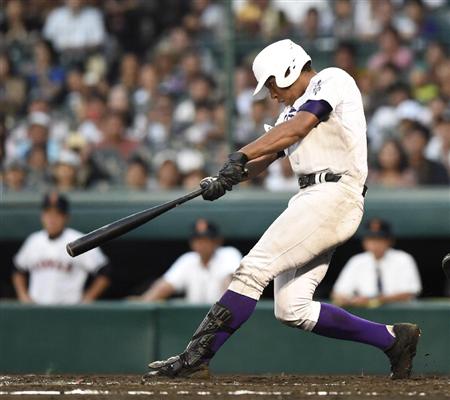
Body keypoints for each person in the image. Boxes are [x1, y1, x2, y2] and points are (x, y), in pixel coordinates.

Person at [145, 39, 421, 381]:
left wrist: (241, 154)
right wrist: (226, 177)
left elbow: (300, 126)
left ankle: (196, 356)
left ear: (291, 69)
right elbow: (267, 157)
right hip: (313, 197)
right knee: (291, 308)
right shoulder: (288, 112)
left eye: (273, 84)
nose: (272, 93)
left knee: (252, 270)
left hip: (335, 193)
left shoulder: (332, 79)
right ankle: (393, 340)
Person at [12, 192, 111, 304]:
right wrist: (23, 296)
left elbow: (104, 271)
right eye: (48, 214)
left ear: (66, 217)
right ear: (42, 216)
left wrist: (87, 299)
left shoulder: (78, 240)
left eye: (57, 214)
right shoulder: (34, 240)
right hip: (36, 310)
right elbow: (18, 269)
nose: (52, 219)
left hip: (68, 311)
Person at [137, 219, 241, 304]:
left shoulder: (229, 254)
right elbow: (165, 286)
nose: (202, 244)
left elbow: (232, 284)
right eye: (198, 239)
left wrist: (229, 306)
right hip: (195, 320)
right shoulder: (188, 260)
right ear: (192, 242)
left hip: (223, 318)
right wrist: (143, 302)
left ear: (217, 241)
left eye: (207, 239)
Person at [332, 218, 422, 308]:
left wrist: (374, 300)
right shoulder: (357, 261)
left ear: (389, 241)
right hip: (366, 315)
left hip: (400, 314)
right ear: (364, 242)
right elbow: (337, 293)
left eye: (379, 239)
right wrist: (351, 300)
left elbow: (409, 293)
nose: (375, 243)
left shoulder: (403, 259)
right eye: (371, 239)